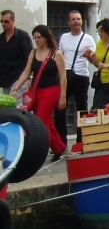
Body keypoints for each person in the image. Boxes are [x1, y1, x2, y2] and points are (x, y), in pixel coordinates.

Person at [10, 25, 67, 161]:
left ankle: (38, 153)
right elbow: (27, 71)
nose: (37, 40)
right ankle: (59, 148)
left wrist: (63, 97)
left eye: (39, 37)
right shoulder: (33, 52)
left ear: (46, 37)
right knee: (46, 122)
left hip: (51, 91)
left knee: (41, 122)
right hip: (36, 92)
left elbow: (63, 76)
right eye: (35, 38)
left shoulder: (56, 53)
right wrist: (16, 88)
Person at [57, 10, 95, 143]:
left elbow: (94, 60)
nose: (76, 21)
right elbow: (60, 56)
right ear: (69, 22)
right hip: (66, 76)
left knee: (82, 110)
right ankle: (61, 142)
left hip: (81, 76)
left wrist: (89, 56)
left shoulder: (88, 39)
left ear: (82, 21)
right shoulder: (64, 38)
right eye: (73, 19)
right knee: (60, 108)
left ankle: (81, 142)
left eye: (78, 19)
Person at [0, 10, 33, 104]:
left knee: (14, 103)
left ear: (13, 20)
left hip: (19, 77)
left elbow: (30, 57)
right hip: (6, 79)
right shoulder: (1, 38)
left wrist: (31, 77)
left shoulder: (22, 36)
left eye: (6, 21)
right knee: (6, 104)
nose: (3, 24)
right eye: (1, 21)